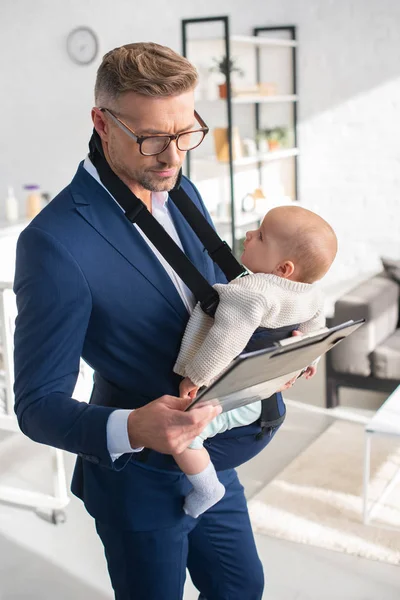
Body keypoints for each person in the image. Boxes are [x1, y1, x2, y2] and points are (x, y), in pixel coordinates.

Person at [13, 42, 305, 600]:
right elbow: (36, 406)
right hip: (140, 484)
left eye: (184, 132)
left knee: (244, 588)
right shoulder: (52, 244)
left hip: (210, 464)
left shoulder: (176, 185)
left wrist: (276, 347)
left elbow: (214, 301)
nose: (172, 156)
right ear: (102, 122)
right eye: (151, 138)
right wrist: (133, 427)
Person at [173, 205, 338, 518]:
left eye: (260, 236)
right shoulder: (311, 295)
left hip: (239, 396)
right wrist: (309, 357)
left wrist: (195, 378)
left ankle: (207, 487)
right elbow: (314, 329)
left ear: (283, 268)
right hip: (264, 394)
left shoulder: (252, 292)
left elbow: (225, 340)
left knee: (186, 436)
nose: (249, 235)